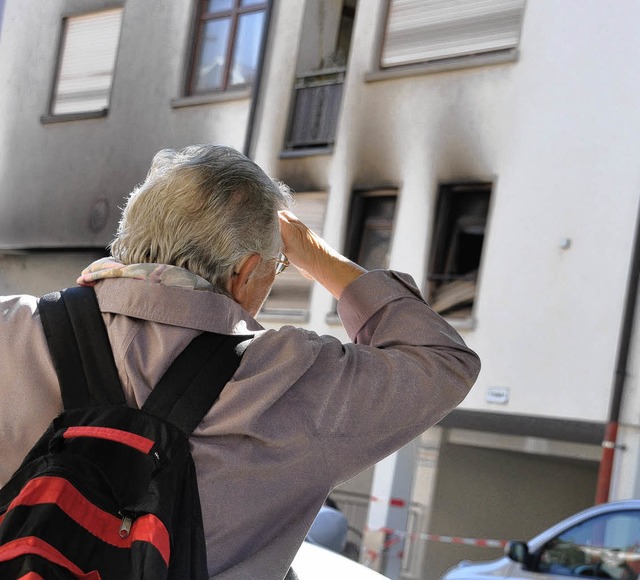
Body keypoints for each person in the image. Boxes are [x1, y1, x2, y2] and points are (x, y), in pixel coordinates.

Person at [0, 144, 480, 579]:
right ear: (247, 271)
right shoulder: (290, 377)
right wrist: (316, 255)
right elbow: (441, 360)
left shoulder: (11, 326)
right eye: (278, 270)